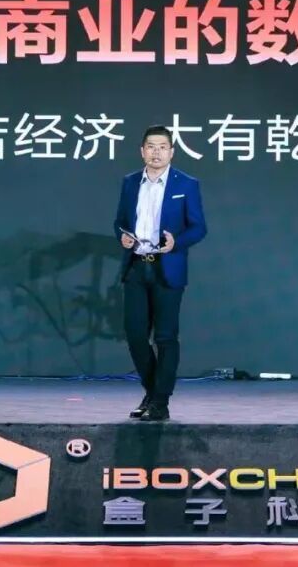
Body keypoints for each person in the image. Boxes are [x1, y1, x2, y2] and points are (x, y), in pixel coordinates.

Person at [113, 125, 207, 421]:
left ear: (172, 152)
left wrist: (177, 242)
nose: (156, 152)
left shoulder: (186, 184)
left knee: (165, 337)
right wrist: (122, 237)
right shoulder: (130, 182)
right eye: (151, 147)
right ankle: (152, 393)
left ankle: (160, 402)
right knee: (135, 335)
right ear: (142, 151)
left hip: (167, 268)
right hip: (136, 267)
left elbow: (199, 227)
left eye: (162, 147)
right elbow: (120, 221)